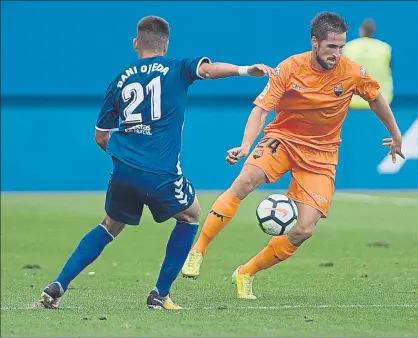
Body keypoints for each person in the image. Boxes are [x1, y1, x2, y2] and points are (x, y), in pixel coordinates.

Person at [37, 16, 274, 310]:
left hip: (123, 167)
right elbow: (209, 70)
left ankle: (59, 285)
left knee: (110, 224)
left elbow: (100, 137)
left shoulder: (120, 80)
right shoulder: (177, 67)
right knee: (191, 215)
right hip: (160, 171)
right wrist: (245, 70)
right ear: (166, 44)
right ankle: (160, 294)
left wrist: (126, 154)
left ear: (137, 43)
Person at [182, 12, 404, 299]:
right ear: (315, 42)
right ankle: (198, 250)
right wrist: (246, 144)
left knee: (304, 230)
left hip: (321, 154)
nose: (336, 54)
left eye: (340, 47)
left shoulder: (351, 72)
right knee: (245, 180)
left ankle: (246, 272)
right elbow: (261, 109)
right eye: (330, 47)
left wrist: (396, 134)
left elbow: (375, 98)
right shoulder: (289, 68)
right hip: (283, 140)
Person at [343, 19, 393, 109]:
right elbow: (390, 70)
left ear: (361, 30)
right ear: (373, 32)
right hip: (381, 102)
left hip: (352, 102)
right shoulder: (385, 48)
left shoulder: (348, 47)